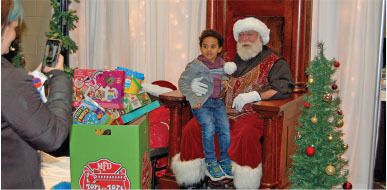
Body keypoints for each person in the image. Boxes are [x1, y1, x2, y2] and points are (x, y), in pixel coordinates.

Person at [171, 17, 294, 189]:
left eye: (249, 35)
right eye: (241, 35)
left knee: (244, 133)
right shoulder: (226, 58)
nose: (244, 39)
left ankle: (239, 182)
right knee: (193, 128)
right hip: (220, 109)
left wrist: (254, 95)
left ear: (260, 37)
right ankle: (194, 181)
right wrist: (194, 84)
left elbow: (283, 86)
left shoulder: (274, 61)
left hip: (255, 113)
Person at [1, 0, 72, 188]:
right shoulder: (7, 80)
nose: (15, 35)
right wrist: (58, 78)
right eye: (14, 27)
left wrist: (26, 87)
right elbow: (53, 136)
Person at [178, 29, 237, 182]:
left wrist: (225, 80)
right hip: (201, 103)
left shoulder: (222, 63)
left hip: (217, 103)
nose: (209, 50)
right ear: (201, 48)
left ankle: (224, 159)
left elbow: (224, 74)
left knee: (225, 128)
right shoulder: (195, 65)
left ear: (219, 49)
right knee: (209, 127)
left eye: (212, 46)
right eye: (205, 46)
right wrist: (192, 99)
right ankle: (210, 161)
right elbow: (183, 83)